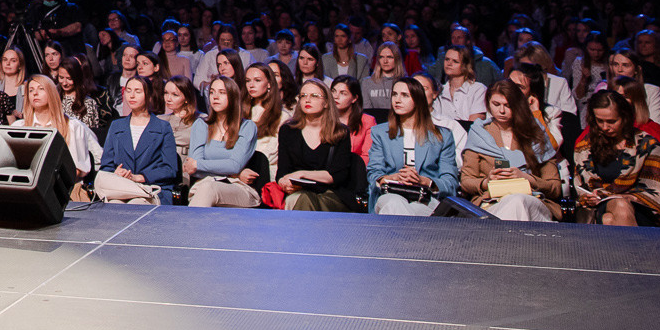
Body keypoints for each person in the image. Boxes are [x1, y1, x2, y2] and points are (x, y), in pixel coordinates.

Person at [461, 80, 562, 221]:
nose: (501, 111)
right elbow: (466, 181)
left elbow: (555, 187)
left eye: (507, 105)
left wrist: (527, 179)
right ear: (488, 104)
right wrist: (488, 181)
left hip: (532, 201)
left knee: (517, 201)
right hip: (492, 202)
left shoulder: (535, 132)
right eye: (496, 104)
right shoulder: (479, 133)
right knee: (513, 204)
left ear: (517, 105)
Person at [575, 87, 660, 226]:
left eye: (611, 121)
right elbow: (582, 189)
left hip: (643, 207)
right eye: (600, 121)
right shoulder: (586, 146)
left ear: (625, 117)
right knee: (619, 206)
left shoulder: (646, 144)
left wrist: (630, 197)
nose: (605, 127)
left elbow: (659, 190)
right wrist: (588, 197)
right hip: (599, 205)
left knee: (609, 219)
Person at [367, 78, 458, 215]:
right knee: (394, 203)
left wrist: (424, 181)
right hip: (390, 195)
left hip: (426, 198)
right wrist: (395, 178)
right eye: (394, 94)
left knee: (416, 209)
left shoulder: (442, 136)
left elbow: (450, 182)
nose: (397, 100)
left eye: (405, 95)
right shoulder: (380, 133)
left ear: (418, 100)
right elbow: (374, 174)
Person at [276, 78, 362, 211]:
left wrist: (302, 174)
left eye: (314, 96)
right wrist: (284, 183)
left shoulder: (340, 132)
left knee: (306, 200)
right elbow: (282, 172)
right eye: (303, 96)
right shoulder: (288, 130)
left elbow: (337, 176)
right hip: (299, 191)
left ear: (326, 102)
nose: (307, 100)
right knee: (303, 198)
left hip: (332, 194)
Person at [94, 74, 178, 204]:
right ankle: (135, 192)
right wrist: (116, 173)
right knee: (113, 201)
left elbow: (169, 169)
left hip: (151, 188)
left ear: (148, 95)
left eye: (137, 91)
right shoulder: (116, 126)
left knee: (136, 203)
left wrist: (140, 177)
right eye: (128, 91)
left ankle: (142, 192)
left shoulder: (162, 127)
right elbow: (106, 167)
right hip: (121, 188)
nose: (131, 96)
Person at [182, 75, 259, 207]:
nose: (215, 97)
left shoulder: (247, 127)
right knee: (207, 186)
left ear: (233, 97)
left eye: (222, 92)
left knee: (209, 187)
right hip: (205, 185)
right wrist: (234, 173)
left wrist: (199, 164)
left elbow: (235, 165)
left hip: (237, 187)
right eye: (212, 92)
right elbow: (193, 169)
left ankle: (189, 221)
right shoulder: (201, 125)